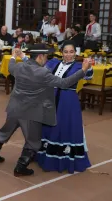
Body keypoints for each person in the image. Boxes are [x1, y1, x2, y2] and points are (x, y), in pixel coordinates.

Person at [0, 44, 92, 177]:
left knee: (4, 132)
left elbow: (10, 66)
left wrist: (14, 55)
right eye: (46, 57)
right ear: (40, 56)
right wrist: (83, 70)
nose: (46, 60)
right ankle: (20, 167)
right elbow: (65, 83)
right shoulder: (43, 73)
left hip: (14, 107)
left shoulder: (19, 67)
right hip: (30, 112)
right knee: (33, 141)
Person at [37, 41, 93, 173]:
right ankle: (46, 156)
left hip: (68, 102)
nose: (68, 54)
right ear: (61, 52)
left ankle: (65, 160)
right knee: (49, 127)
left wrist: (88, 66)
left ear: (75, 53)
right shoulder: (53, 63)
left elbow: (89, 76)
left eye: (71, 52)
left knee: (66, 126)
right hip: (51, 99)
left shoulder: (79, 66)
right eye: (66, 52)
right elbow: (40, 71)